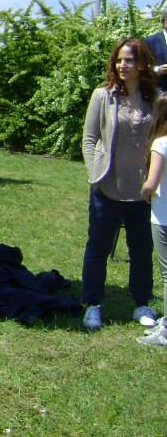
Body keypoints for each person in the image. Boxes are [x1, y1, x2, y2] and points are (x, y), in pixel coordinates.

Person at [81, 38, 158, 329]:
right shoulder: (103, 96)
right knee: (98, 247)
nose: (122, 65)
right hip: (107, 187)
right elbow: (89, 139)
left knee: (141, 249)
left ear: (142, 64)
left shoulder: (156, 99)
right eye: (118, 60)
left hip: (143, 190)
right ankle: (92, 303)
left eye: (129, 60)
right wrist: (94, 173)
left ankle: (141, 304)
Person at [139, 95, 167, 345]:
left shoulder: (161, 143)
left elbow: (151, 182)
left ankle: (166, 330)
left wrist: (145, 192)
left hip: (163, 217)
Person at [144, 7, 167, 91]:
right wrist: (157, 70)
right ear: (164, 21)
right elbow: (142, 66)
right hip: (160, 92)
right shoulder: (150, 41)